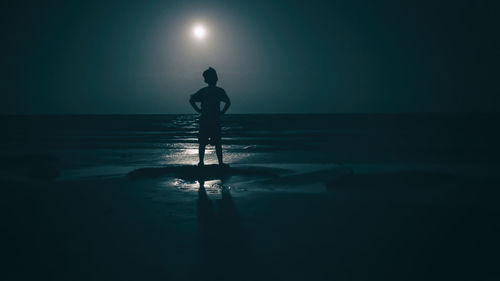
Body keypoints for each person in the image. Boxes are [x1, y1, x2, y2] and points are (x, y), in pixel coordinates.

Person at [189, 67, 231, 167]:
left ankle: (201, 162)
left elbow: (191, 100)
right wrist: (222, 112)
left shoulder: (204, 91)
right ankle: (219, 163)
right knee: (217, 143)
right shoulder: (219, 91)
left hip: (205, 119)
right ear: (215, 78)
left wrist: (198, 110)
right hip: (214, 119)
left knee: (203, 143)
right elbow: (228, 103)